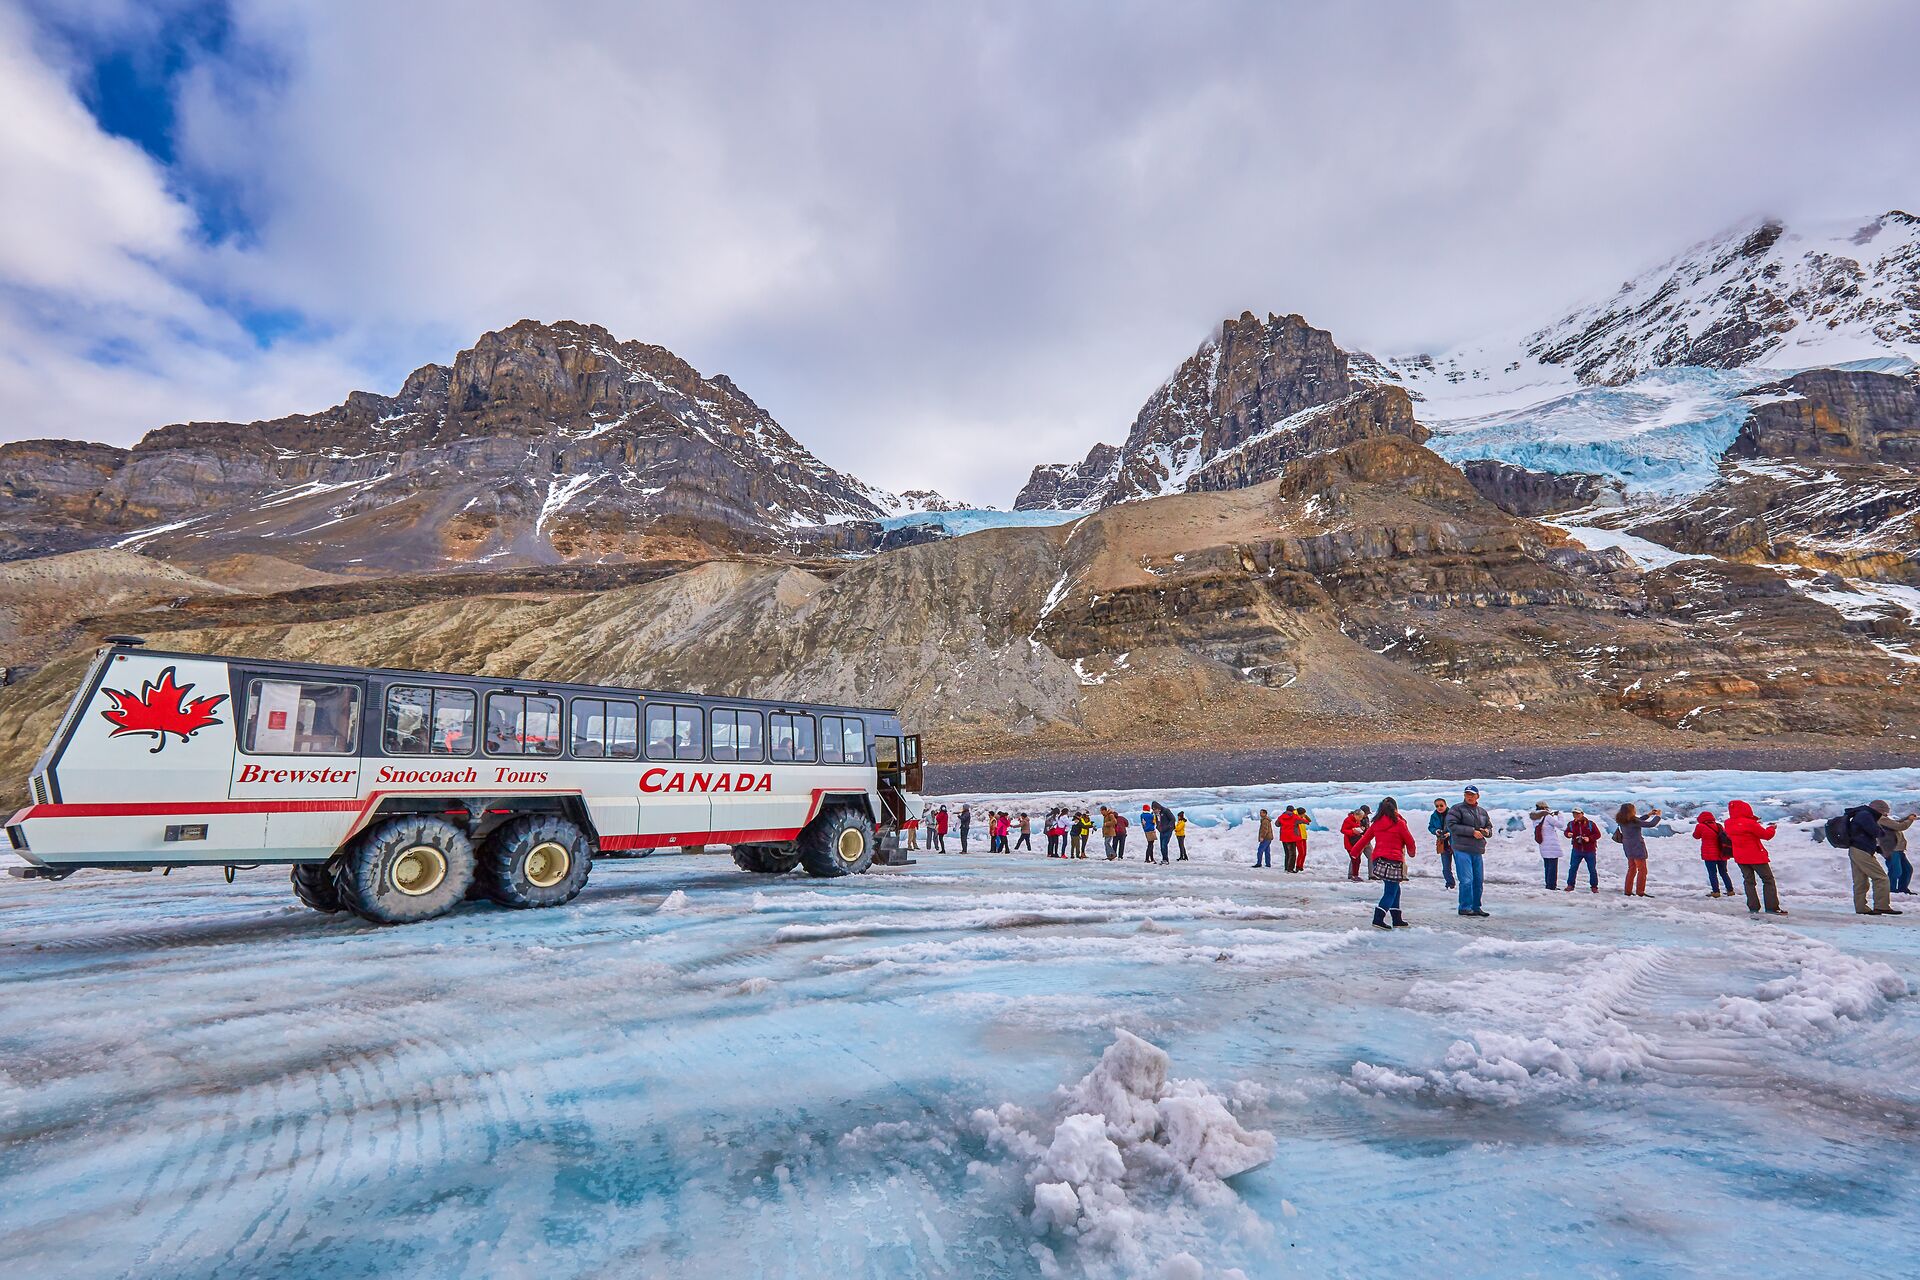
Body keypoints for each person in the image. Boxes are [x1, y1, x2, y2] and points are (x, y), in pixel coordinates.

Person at [1353, 797, 1416, 929]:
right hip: (1393, 861)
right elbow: (1409, 841)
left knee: (1395, 889)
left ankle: (1397, 918)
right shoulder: (1399, 823)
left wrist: (1355, 852)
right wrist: (1411, 852)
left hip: (1378, 861)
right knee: (1390, 891)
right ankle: (1378, 919)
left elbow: (1365, 839)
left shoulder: (1376, 823)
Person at [1725, 799, 1786, 915]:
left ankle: (1753, 907)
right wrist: (1772, 828)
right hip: (1756, 856)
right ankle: (1772, 907)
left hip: (1740, 857)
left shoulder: (1728, 823)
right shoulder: (1750, 823)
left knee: (1749, 882)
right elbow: (1766, 835)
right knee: (1768, 880)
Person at [1845, 801, 1901, 915]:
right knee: (1881, 878)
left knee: (1860, 881)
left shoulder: (1862, 814)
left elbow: (1862, 835)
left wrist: (1876, 848)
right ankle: (1881, 906)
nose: (1885, 815)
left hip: (1857, 849)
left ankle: (1861, 908)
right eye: (1885, 812)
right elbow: (1875, 832)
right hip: (1861, 851)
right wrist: (1881, 830)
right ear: (1878, 809)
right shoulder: (1865, 815)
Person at [1445, 786, 1492, 917]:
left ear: (1478, 796)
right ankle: (1465, 907)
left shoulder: (1482, 812)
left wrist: (1487, 831)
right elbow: (1451, 825)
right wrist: (1472, 832)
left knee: (1478, 880)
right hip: (1462, 848)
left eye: (1472, 794)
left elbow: (1489, 826)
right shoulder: (1457, 809)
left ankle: (1476, 907)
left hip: (1477, 850)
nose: (1469, 796)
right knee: (1466, 880)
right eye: (1467, 794)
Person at [1614, 802, 1660, 897]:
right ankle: (1640, 892)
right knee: (1642, 870)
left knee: (1632, 869)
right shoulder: (1633, 821)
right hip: (1637, 847)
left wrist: (1649, 814)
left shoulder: (1622, 820)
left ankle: (1628, 891)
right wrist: (1658, 816)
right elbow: (1651, 824)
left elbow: (1638, 820)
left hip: (1628, 847)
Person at [1693, 810, 1734, 898]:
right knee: (1724, 872)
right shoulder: (1719, 826)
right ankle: (1730, 890)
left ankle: (1716, 892)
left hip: (1709, 854)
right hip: (1722, 853)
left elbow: (1696, 836)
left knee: (1712, 873)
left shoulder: (1701, 826)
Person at [1878, 804, 1916, 895]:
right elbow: (1899, 826)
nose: (1887, 813)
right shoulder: (1881, 819)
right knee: (1896, 870)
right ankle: (1891, 890)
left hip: (1898, 849)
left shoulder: (1884, 819)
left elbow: (1896, 823)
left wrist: (1907, 818)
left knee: (1907, 869)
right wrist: (1910, 820)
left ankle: (1902, 889)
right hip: (1891, 849)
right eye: (1885, 811)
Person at [1563, 807, 1600, 892]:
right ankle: (1570, 885)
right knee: (1573, 868)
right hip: (1577, 849)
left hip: (1589, 850)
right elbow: (1566, 832)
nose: (1576, 815)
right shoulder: (1571, 824)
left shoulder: (1590, 824)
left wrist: (1589, 838)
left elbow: (1598, 834)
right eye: (1574, 814)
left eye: (1578, 814)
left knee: (1592, 868)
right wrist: (1568, 834)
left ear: (1582, 814)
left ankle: (1594, 886)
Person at [1532, 802, 1565, 889]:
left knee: (1547, 865)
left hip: (1543, 843)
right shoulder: (1547, 817)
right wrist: (1560, 815)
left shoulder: (1536, 818)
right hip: (1551, 844)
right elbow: (1561, 825)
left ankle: (1548, 884)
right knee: (1553, 866)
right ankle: (1552, 886)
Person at [1428, 798, 1455, 889]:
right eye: (1437, 806)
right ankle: (1450, 884)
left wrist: (1450, 833)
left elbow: (1457, 826)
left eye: (1441, 805)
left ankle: (1464, 884)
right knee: (1446, 868)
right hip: (1443, 843)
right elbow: (1430, 827)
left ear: (1445, 805)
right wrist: (1436, 831)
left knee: (1460, 865)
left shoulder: (1453, 814)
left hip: (1455, 843)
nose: (1439, 808)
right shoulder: (1434, 816)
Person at [1342, 806, 1371, 881]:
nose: (1361, 819)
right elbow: (1343, 830)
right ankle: (1353, 875)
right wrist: (1353, 831)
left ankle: (1355, 875)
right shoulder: (1348, 820)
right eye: (1360, 817)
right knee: (1355, 859)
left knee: (1357, 859)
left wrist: (1361, 830)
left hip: (1358, 841)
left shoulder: (1358, 820)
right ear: (1356, 815)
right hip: (1350, 843)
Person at [1278, 806, 1302, 872]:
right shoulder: (1294, 816)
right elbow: (1302, 821)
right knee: (1293, 854)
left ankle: (1286, 867)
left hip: (1283, 837)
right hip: (1291, 837)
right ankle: (1290, 869)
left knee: (1287, 853)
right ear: (1292, 810)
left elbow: (1277, 824)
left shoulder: (1281, 816)